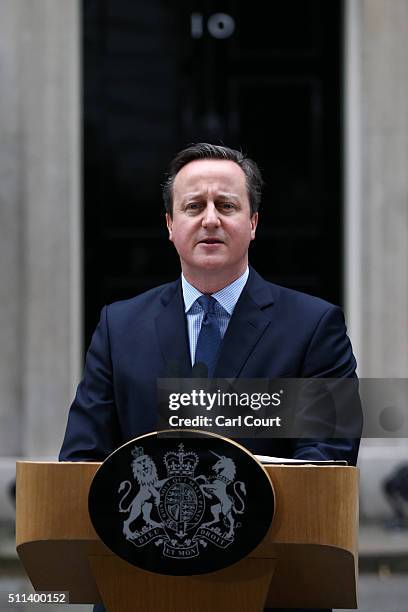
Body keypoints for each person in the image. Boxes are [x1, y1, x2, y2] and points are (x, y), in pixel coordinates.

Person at [60, 143, 360, 612]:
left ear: (253, 222)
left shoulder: (314, 326)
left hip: (269, 586)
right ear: (170, 225)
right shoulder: (119, 327)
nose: (210, 219)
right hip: (138, 587)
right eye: (194, 206)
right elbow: (81, 460)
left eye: (227, 205)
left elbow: (325, 461)